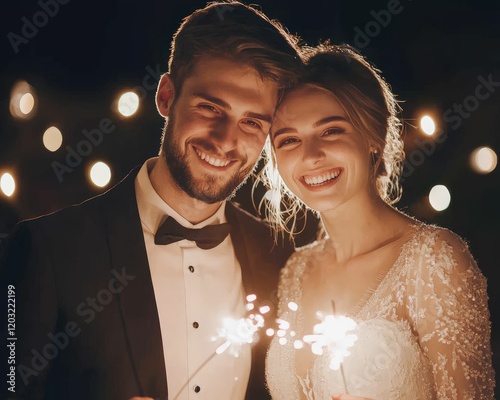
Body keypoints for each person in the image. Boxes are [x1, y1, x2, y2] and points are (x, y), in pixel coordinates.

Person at [1, 2, 304, 399]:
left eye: (251, 122)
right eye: (210, 107)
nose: (226, 140)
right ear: (166, 96)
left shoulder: (281, 256)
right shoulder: (48, 248)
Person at [262, 43, 495, 399]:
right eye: (289, 140)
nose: (311, 156)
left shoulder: (432, 260)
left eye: (331, 131)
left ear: (373, 135)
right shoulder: (296, 270)